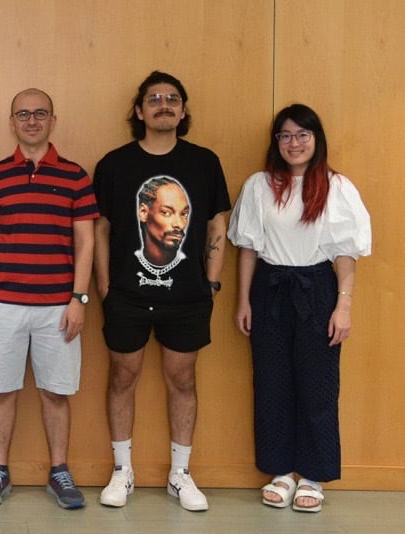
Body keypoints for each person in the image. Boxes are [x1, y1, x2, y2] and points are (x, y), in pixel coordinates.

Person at [93, 71, 229, 512]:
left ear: (183, 110)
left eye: (172, 98)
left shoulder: (204, 162)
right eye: (154, 98)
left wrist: (211, 281)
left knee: (183, 380)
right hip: (126, 295)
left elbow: (217, 223)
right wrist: (104, 286)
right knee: (122, 377)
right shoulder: (114, 164)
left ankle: (180, 474)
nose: (164, 104)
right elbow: (100, 228)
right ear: (139, 110)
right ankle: (122, 470)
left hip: (188, 297)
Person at [228, 104, 371, 513]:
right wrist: (243, 300)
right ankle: (281, 471)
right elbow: (248, 248)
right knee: (272, 382)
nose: (294, 143)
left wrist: (343, 307)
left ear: (316, 139)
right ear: (276, 141)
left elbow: (346, 253)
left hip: (317, 290)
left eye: (302, 134)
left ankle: (312, 475)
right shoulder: (259, 185)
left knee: (318, 384)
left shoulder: (336, 187)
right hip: (269, 289)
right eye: (286, 135)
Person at [0, 88, 98, 510]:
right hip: (3, 303)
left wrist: (79, 298)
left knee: (55, 393)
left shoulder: (75, 176)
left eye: (40, 113)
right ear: (12, 122)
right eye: (23, 114)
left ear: (52, 120)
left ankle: (59, 470)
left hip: (59, 306)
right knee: (1, 391)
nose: (31, 121)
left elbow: (86, 240)